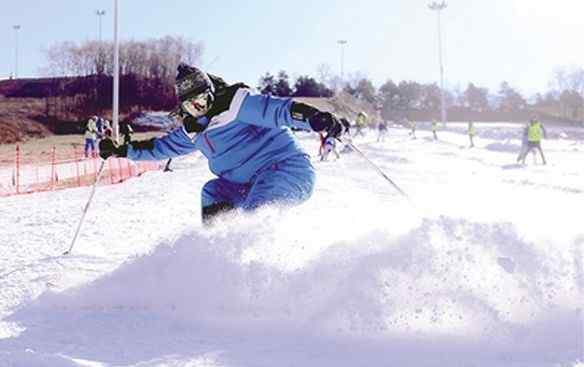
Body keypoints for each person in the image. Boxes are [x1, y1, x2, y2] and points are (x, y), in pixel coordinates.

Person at [99, 63, 345, 223]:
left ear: (212, 94)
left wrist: (313, 118)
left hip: (286, 171)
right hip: (246, 186)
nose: (199, 109)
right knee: (213, 192)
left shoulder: (237, 104)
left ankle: (258, 271)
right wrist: (121, 151)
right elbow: (160, 148)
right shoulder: (193, 130)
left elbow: (278, 110)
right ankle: (217, 255)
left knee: (253, 216)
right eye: (190, 106)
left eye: (203, 101)